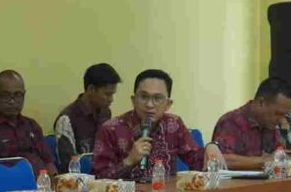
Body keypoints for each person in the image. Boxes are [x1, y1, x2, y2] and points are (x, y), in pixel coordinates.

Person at [93, 69, 223, 180]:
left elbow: (197, 162)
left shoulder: (174, 124)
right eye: (144, 97)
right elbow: (97, 178)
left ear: (168, 104)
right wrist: (129, 161)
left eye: (157, 98)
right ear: (133, 100)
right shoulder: (110, 129)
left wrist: (211, 147)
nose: (149, 105)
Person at [0, 70, 57, 178]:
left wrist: (55, 183)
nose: (12, 101)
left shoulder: (32, 126)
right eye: (6, 95)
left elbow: (48, 162)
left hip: (41, 188)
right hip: (7, 190)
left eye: (18, 95)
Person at [211, 77, 291, 170]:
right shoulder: (231, 122)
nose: (281, 120)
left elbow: (276, 155)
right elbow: (222, 159)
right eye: (278, 114)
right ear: (261, 103)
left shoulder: (270, 125)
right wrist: (264, 161)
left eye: (284, 115)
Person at [54, 63, 121, 167]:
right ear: (91, 89)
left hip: (105, 175)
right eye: (107, 94)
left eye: (112, 94)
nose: (111, 99)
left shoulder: (105, 113)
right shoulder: (67, 119)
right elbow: (68, 164)